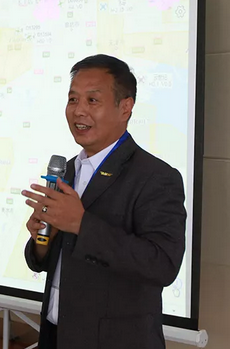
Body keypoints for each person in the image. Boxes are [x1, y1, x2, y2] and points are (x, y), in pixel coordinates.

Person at [21, 54, 187, 349]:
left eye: (92, 100)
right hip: (56, 336)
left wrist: (81, 224)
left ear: (125, 107)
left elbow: (163, 265)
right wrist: (42, 240)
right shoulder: (67, 171)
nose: (79, 110)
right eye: (73, 99)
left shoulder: (156, 177)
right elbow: (48, 261)